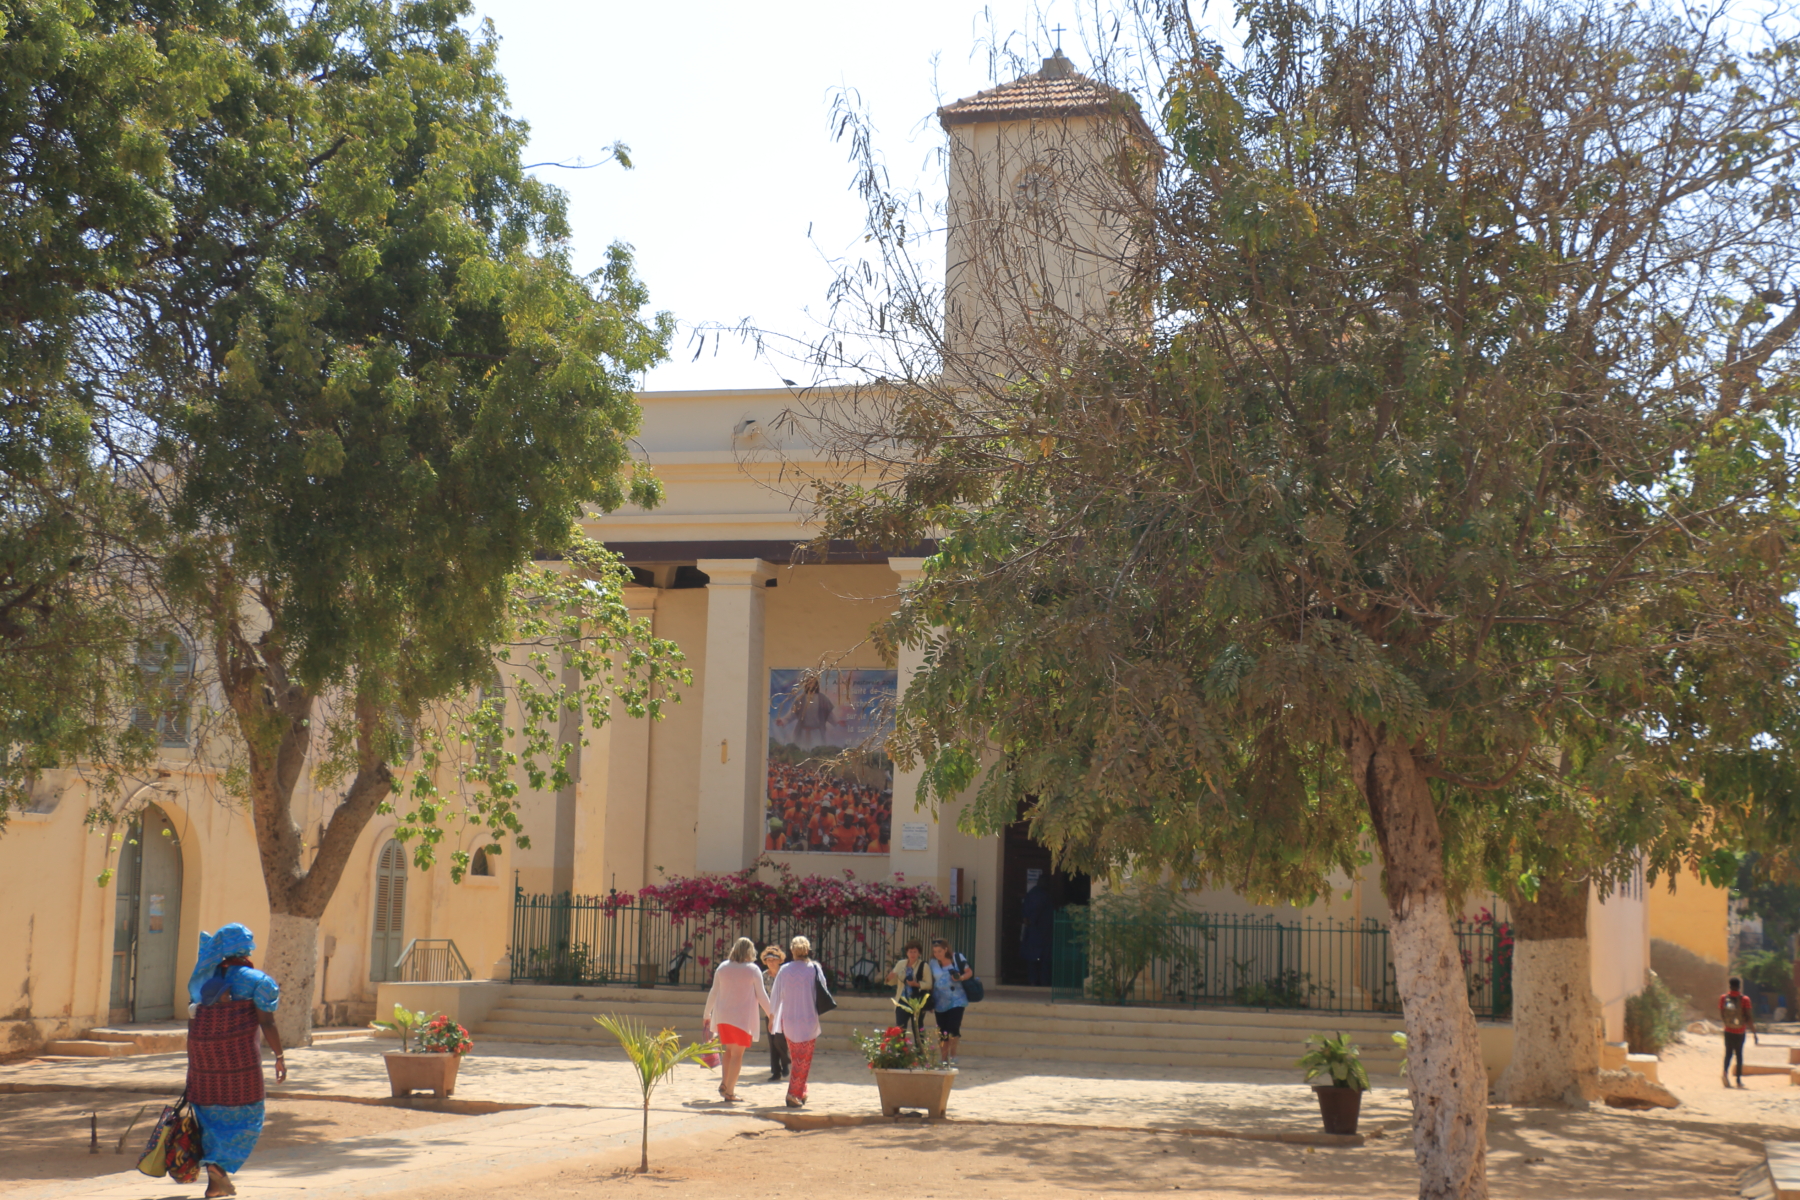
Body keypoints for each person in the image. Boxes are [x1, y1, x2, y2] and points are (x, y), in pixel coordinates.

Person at [185, 923, 286, 1199]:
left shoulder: (204, 976)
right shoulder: (258, 981)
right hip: (240, 1062)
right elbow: (267, 1022)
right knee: (249, 1115)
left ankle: (215, 1182)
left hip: (203, 1060)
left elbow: (195, 1015)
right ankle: (218, 1167)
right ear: (246, 948)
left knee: (208, 1115)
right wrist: (279, 1057)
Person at [701, 937, 772, 1103]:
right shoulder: (752, 969)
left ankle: (725, 1083)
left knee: (729, 1051)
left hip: (723, 1017)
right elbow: (762, 995)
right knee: (737, 1055)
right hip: (742, 1018)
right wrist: (772, 1015)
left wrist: (707, 1014)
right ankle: (730, 1091)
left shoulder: (723, 967)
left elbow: (713, 991)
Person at [769, 935, 831, 1108]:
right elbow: (823, 989)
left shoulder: (784, 970)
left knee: (797, 1058)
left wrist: (772, 1016)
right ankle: (793, 1094)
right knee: (803, 1060)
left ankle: (802, 1091)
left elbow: (775, 994)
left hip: (789, 1020)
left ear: (792, 950)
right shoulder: (814, 968)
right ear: (807, 950)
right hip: (808, 1019)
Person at [928, 937, 974, 1067]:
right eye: (935, 951)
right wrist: (930, 1001)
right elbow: (931, 981)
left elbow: (969, 972)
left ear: (945, 949)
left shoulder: (957, 958)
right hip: (940, 1000)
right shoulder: (932, 963)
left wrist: (960, 977)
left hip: (957, 999)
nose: (937, 954)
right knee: (942, 1030)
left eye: (939, 951)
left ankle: (953, 1055)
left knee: (953, 1027)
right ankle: (943, 1058)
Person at [884, 939, 932, 1039]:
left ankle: (920, 1048)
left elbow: (929, 984)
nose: (912, 954)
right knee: (900, 1029)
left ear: (919, 953)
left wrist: (916, 984)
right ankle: (901, 1048)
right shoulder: (901, 964)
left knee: (918, 1029)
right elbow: (893, 981)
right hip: (902, 1000)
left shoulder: (924, 966)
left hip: (917, 1001)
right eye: (910, 951)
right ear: (907, 953)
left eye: (915, 952)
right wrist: (888, 978)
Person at [760, 944, 791, 1082]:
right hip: (769, 1012)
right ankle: (776, 1071)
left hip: (784, 1012)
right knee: (772, 1042)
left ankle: (785, 1062)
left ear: (780, 960)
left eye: (773, 959)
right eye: (768, 960)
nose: (771, 962)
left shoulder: (785, 974)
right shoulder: (764, 976)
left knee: (780, 1039)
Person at [1721, 975, 1757, 1087]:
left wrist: (1728, 1024)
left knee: (1728, 1053)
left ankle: (1725, 1073)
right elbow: (1749, 1017)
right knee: (1739, 1055)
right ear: (1739, 986)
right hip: (1740, 1031)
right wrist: (1754, 1033)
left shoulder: (1723, 998)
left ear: (1729, 986)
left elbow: (1722, 1014)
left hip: (1728, 1030)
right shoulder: (1745, 999)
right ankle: (1738, 1081)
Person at [1020, 874, 1055, 987]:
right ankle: (1040, 981)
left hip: (1037, 931)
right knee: (1042, 958)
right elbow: (1033, 912)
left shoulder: (1033, 893)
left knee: (1035, 957)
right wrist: (1031, 921)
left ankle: (1034, 981)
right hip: (1039, 931)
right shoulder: (1041, 895)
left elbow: (1026, 913)